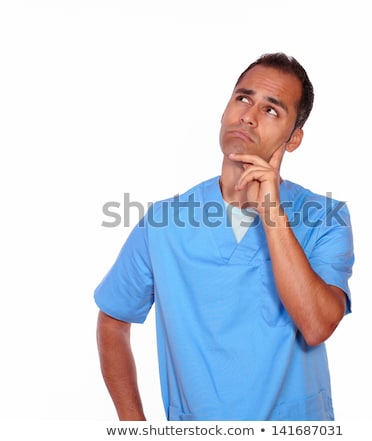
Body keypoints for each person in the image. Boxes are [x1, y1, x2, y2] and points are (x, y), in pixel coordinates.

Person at [94, 52, 354, 421]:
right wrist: (134, 425)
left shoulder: (325, 219)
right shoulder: (164, 223)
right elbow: (113, 319)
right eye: (243, 98)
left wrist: (271, 212)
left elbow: (316, 325)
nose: (247, 115)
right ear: (224, 110)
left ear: (293, 139)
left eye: (271, 110)